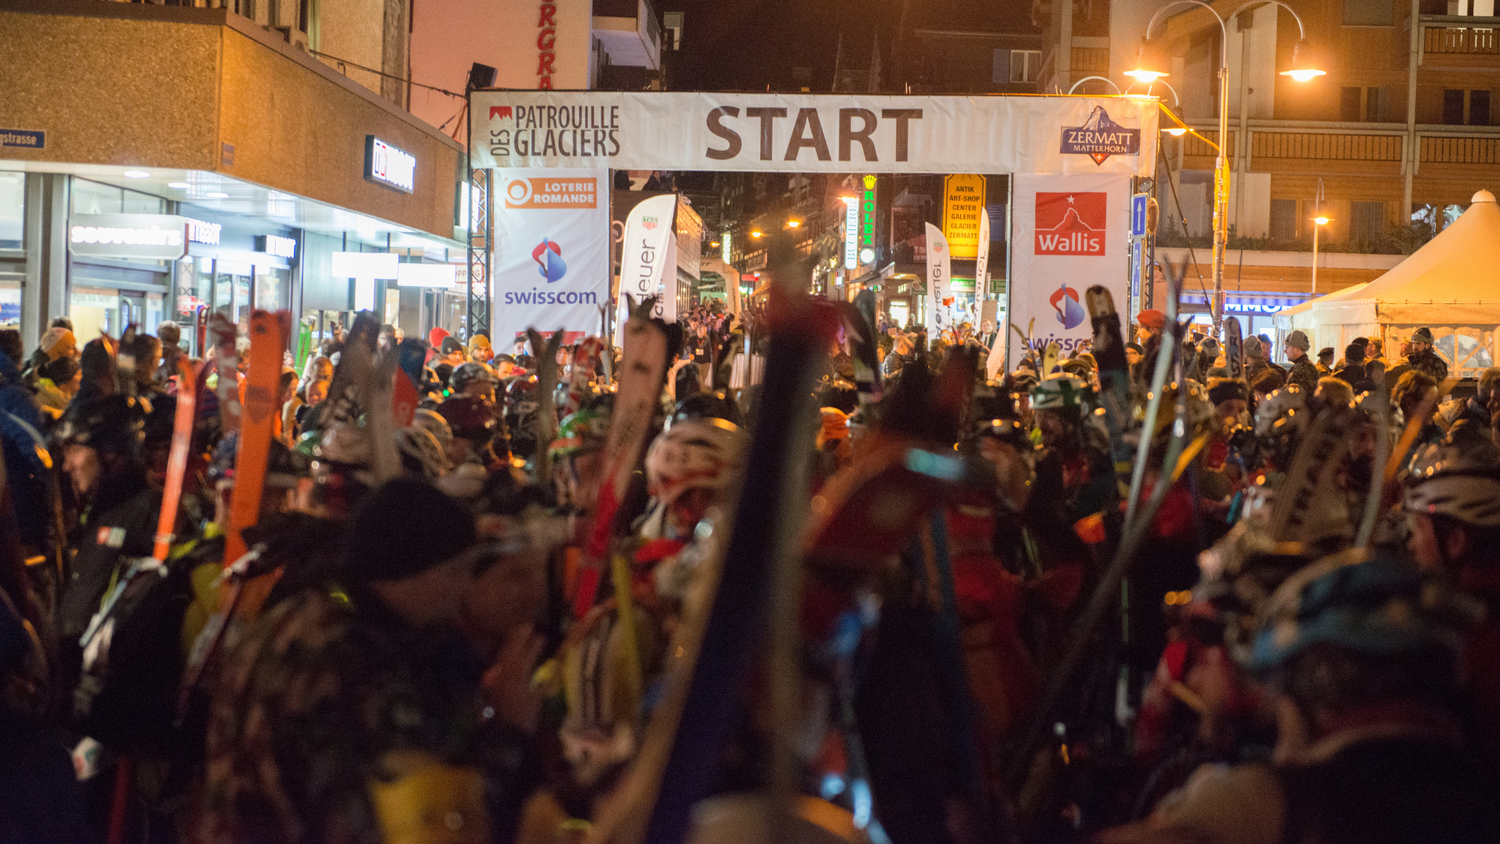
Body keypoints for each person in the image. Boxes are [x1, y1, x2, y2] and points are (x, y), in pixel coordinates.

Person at [201, 477, 539, 844]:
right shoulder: (358, 664)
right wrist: (511, 731)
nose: (463, 590)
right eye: (456, 572)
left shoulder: (289, 619)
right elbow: (413, 825)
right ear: (413, 569)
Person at [1095, 551, 1499, 844]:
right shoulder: (1481, 796)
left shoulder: (1267, 806)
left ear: (1317, 685)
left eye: (1283, 696)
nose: (1282, 746)